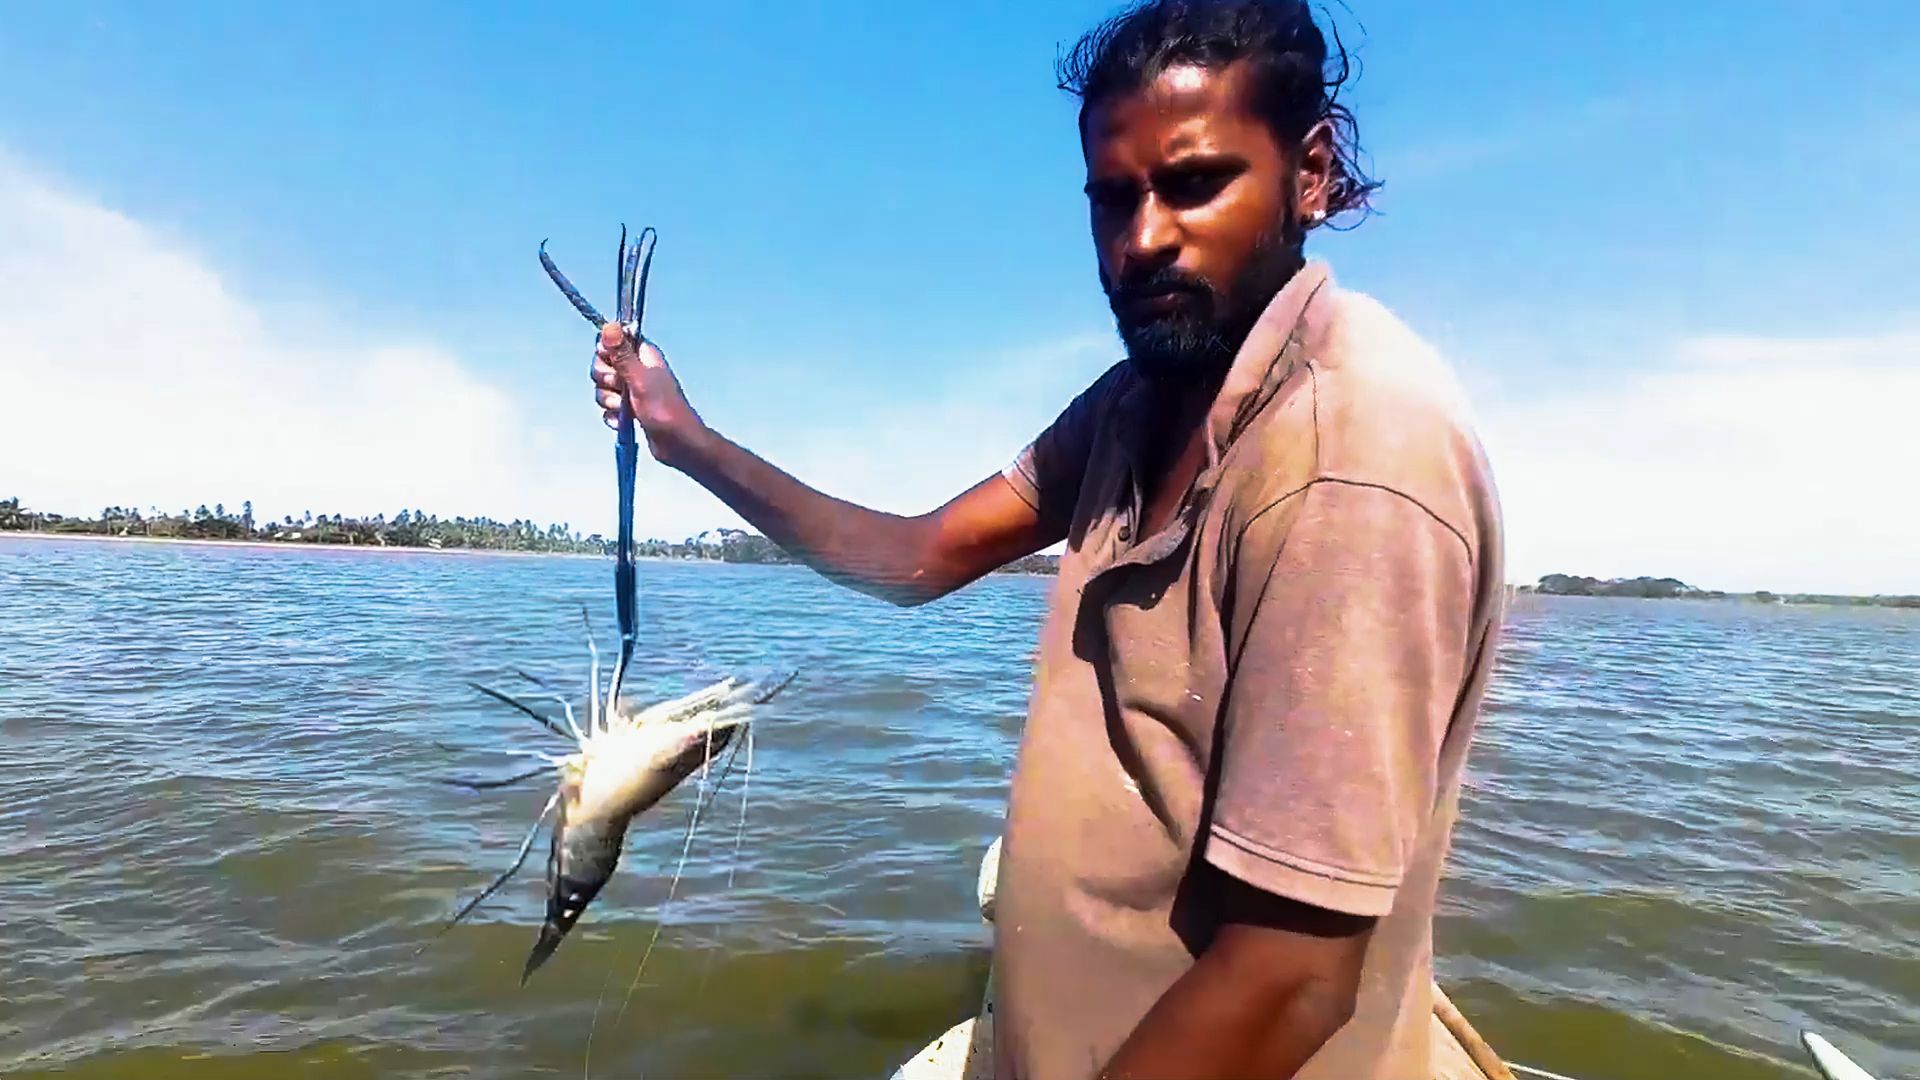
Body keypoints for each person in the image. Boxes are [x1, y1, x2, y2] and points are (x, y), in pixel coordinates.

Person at [589, 1, 1505, 1076]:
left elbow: (1292, 974)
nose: (1146, 236)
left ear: (1308, 173)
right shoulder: (1137, 404)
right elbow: (919, 555)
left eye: (1195, 183)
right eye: (1113, 199)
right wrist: (685, 440)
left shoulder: (1354, 453)